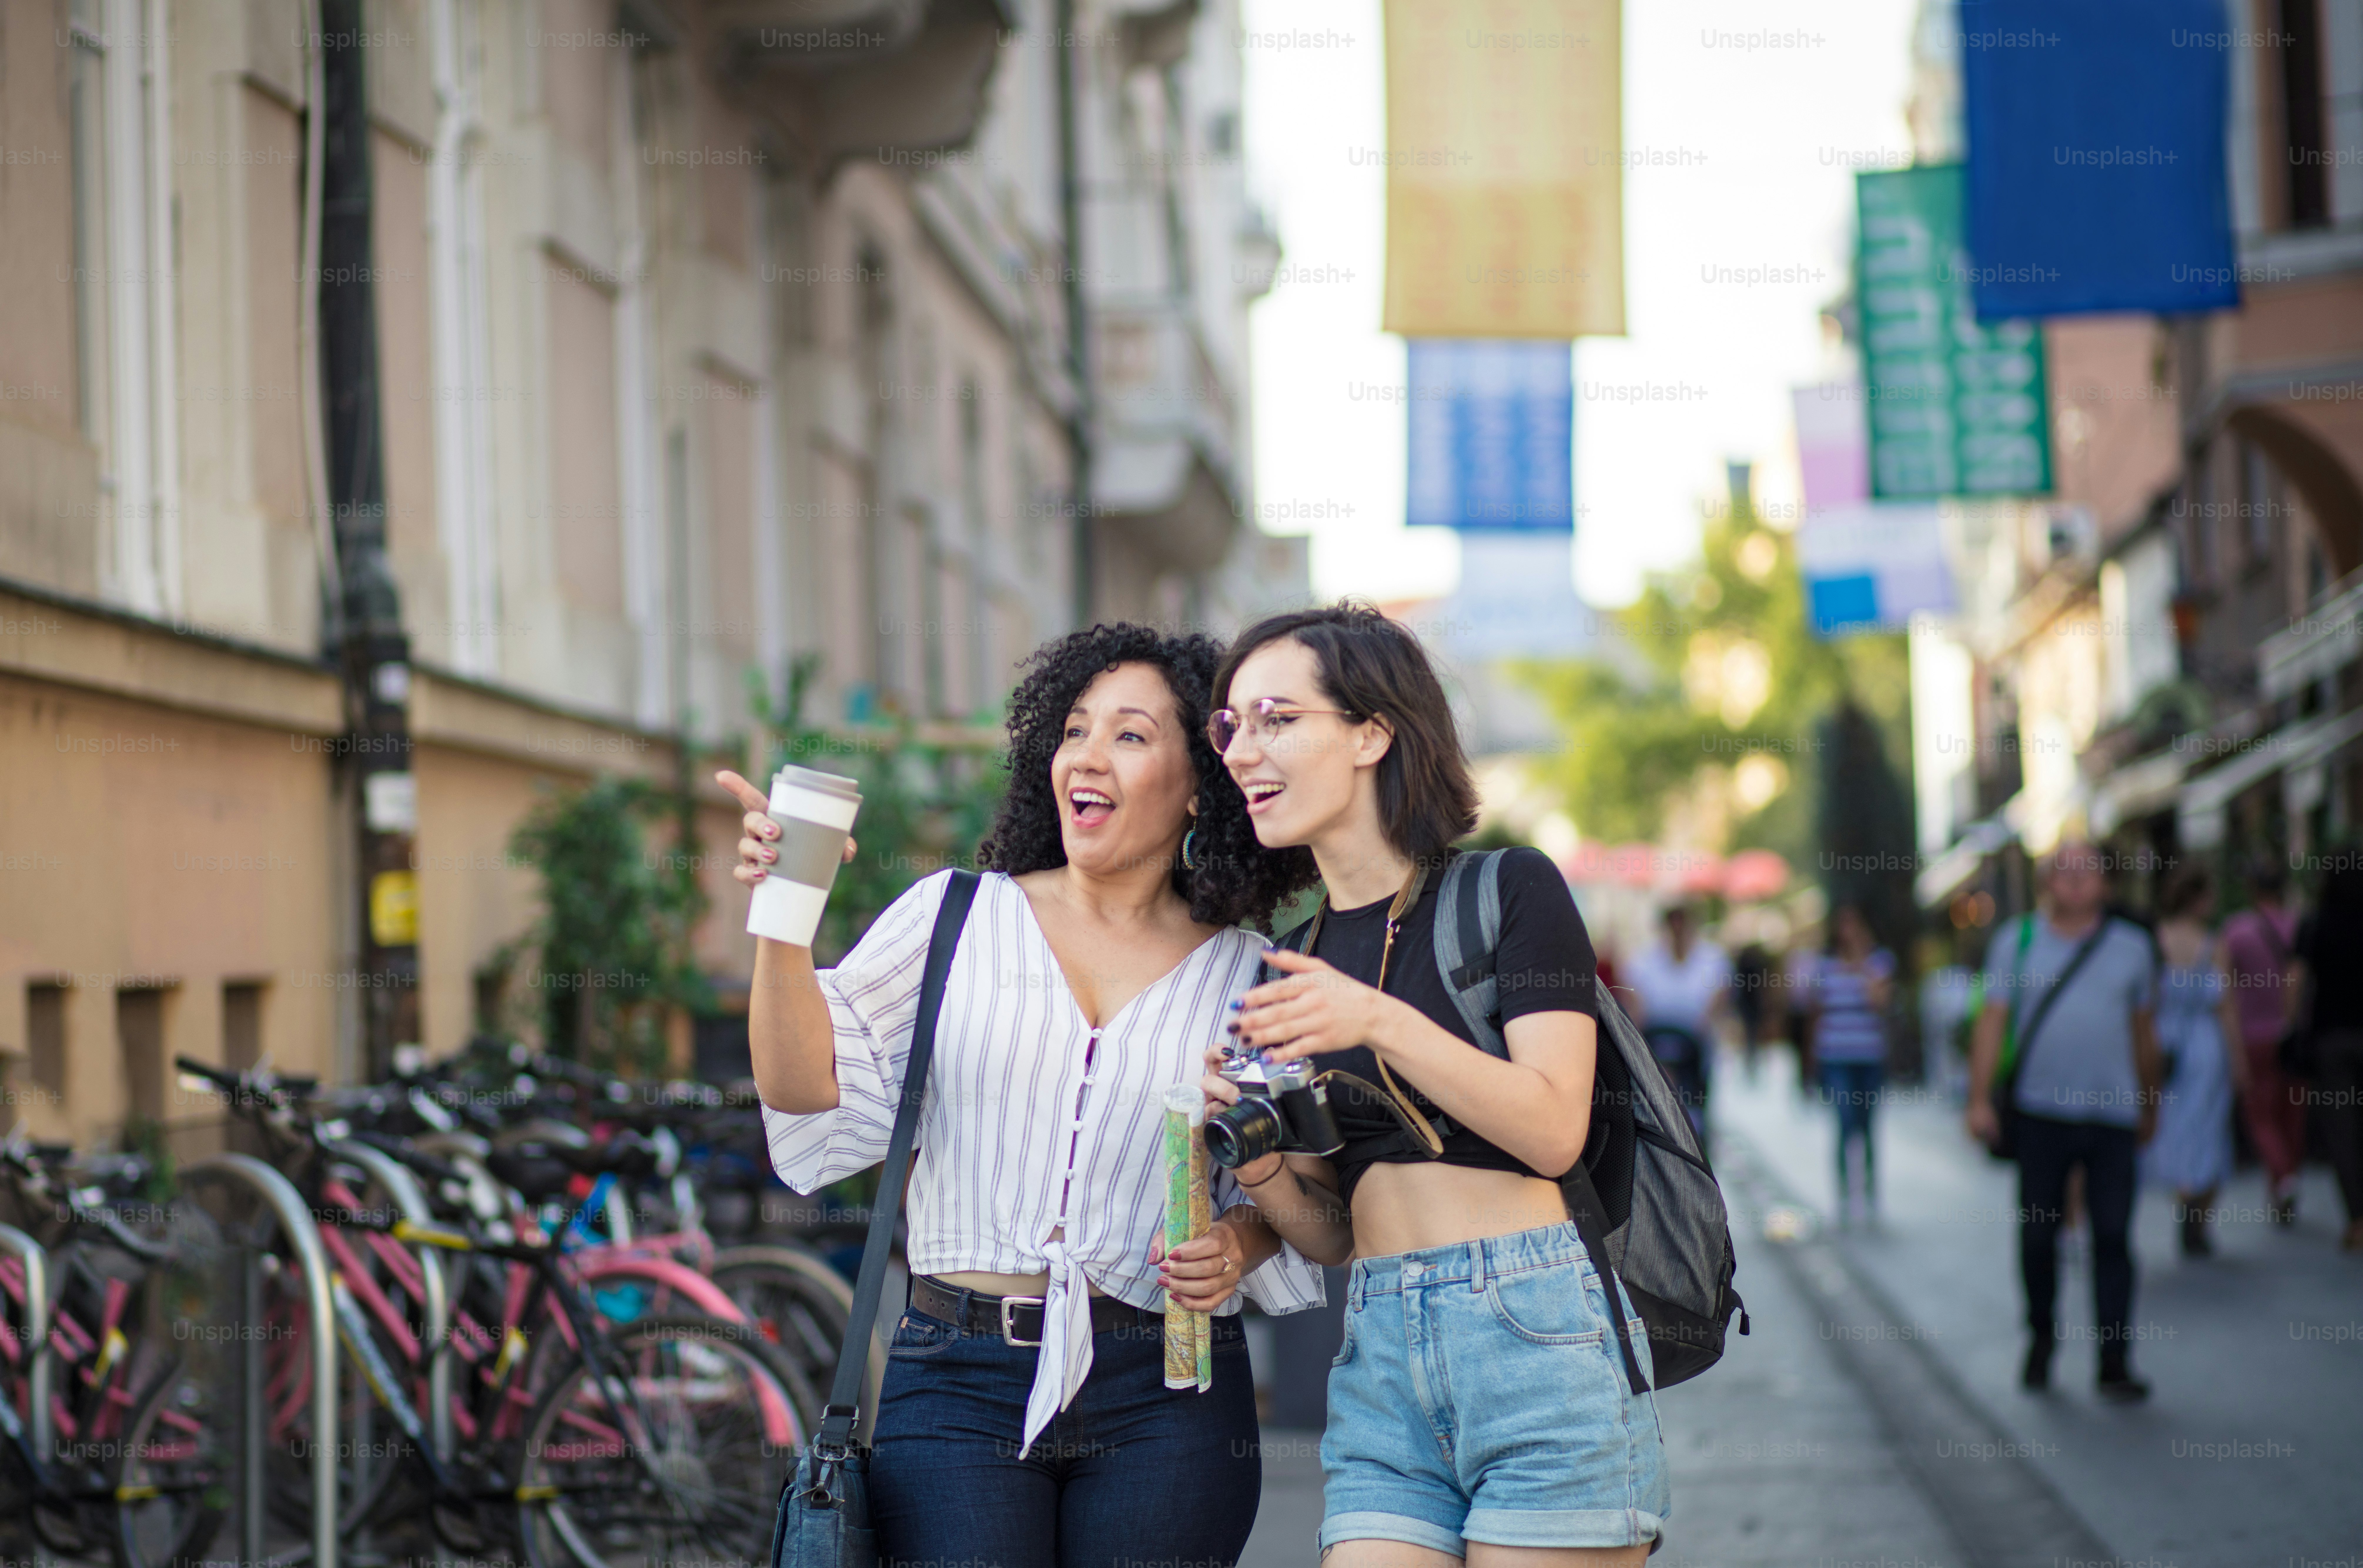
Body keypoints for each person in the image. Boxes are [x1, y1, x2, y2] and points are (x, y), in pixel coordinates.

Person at [727, 624, 1328, 1567]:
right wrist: (782, 913)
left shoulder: (1254, 978)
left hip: (1167, 1387)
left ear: (1200, 784)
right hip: (956, 1377)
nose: (1087, 755)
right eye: (1074, 729)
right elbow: (802, 1083)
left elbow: (1298, 1200)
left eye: (1130, 735)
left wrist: (1238, 1241)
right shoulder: (954, 914)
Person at [1205, 602, 1669, 1567]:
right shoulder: (1285, 964)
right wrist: (1254, 1160)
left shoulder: (1510, 891)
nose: (1244, 748)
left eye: (1278, 719)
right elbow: (1333, 1232)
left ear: (1373, 731)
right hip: (1379, 1353)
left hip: (1535, 1334)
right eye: (1233, 725)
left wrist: (1377, 1021)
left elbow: (1552, 1129)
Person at [1966, 840, 2165, 1402]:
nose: (2076, 880)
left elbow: (2144, 1032)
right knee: (2038, 1236)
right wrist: (1979, 1098)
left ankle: (2115, 1359)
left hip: (2113, 1115)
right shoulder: (2017, 943)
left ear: (2107, 882)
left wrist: (2152, 1101)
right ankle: (2042, 1336)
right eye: (2064, 870)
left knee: (2112, 1236)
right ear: (2047, 882)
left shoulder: (2133, 947)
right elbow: (1992, 1022)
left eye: (2088, 870)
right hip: (2039, 1114)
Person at [2140, 870, 2247, 1257]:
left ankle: (2184, 1191)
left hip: (2164, 1043)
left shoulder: (2155, 942)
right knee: (2209, 1126)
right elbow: (2226, 1005)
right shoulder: (2212, 944)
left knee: (2173, 1123)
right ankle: (2198, 1211)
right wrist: (2239, 1058)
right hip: (2205, 1046)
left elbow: (2144, 1000)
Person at [2223, 859, 2307, 1224]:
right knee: (2291, 1113)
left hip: (2253, 1035)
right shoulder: (2299, 925)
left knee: (2260, 1112)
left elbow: (2224, 988)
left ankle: (2282, 1175)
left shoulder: (2237, 931)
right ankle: (2285, 1178)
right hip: (2292, 1034)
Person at [1806, 903, 1895, 1222]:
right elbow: (1816, 1013)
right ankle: (1845, 1193)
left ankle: (1870, 1193)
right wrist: (1810, 1060)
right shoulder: (1825, 966)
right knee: (1844, 1123)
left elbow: (1879, 1002)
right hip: (1836, 1055)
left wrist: (1862, 963)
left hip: (1869, 1055)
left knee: (1869, 1126)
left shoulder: (1879, 963)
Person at [2295, 857, 2363, 1252]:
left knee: (2343, 1132)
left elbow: (2297, 979)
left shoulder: (2317, 923)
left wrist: (2292, 1027)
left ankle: (2356, 1219)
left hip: (2333, 1038)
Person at [1627, 903, 1731, 1145]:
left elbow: (1720, 997)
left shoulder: (1713, 959)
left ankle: (1699, 1134)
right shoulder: (1645, 960)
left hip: (1696, 1042)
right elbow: (1634, 1000)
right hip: (1656, 1039)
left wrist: (1706, 1024)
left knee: (1696, 1094)